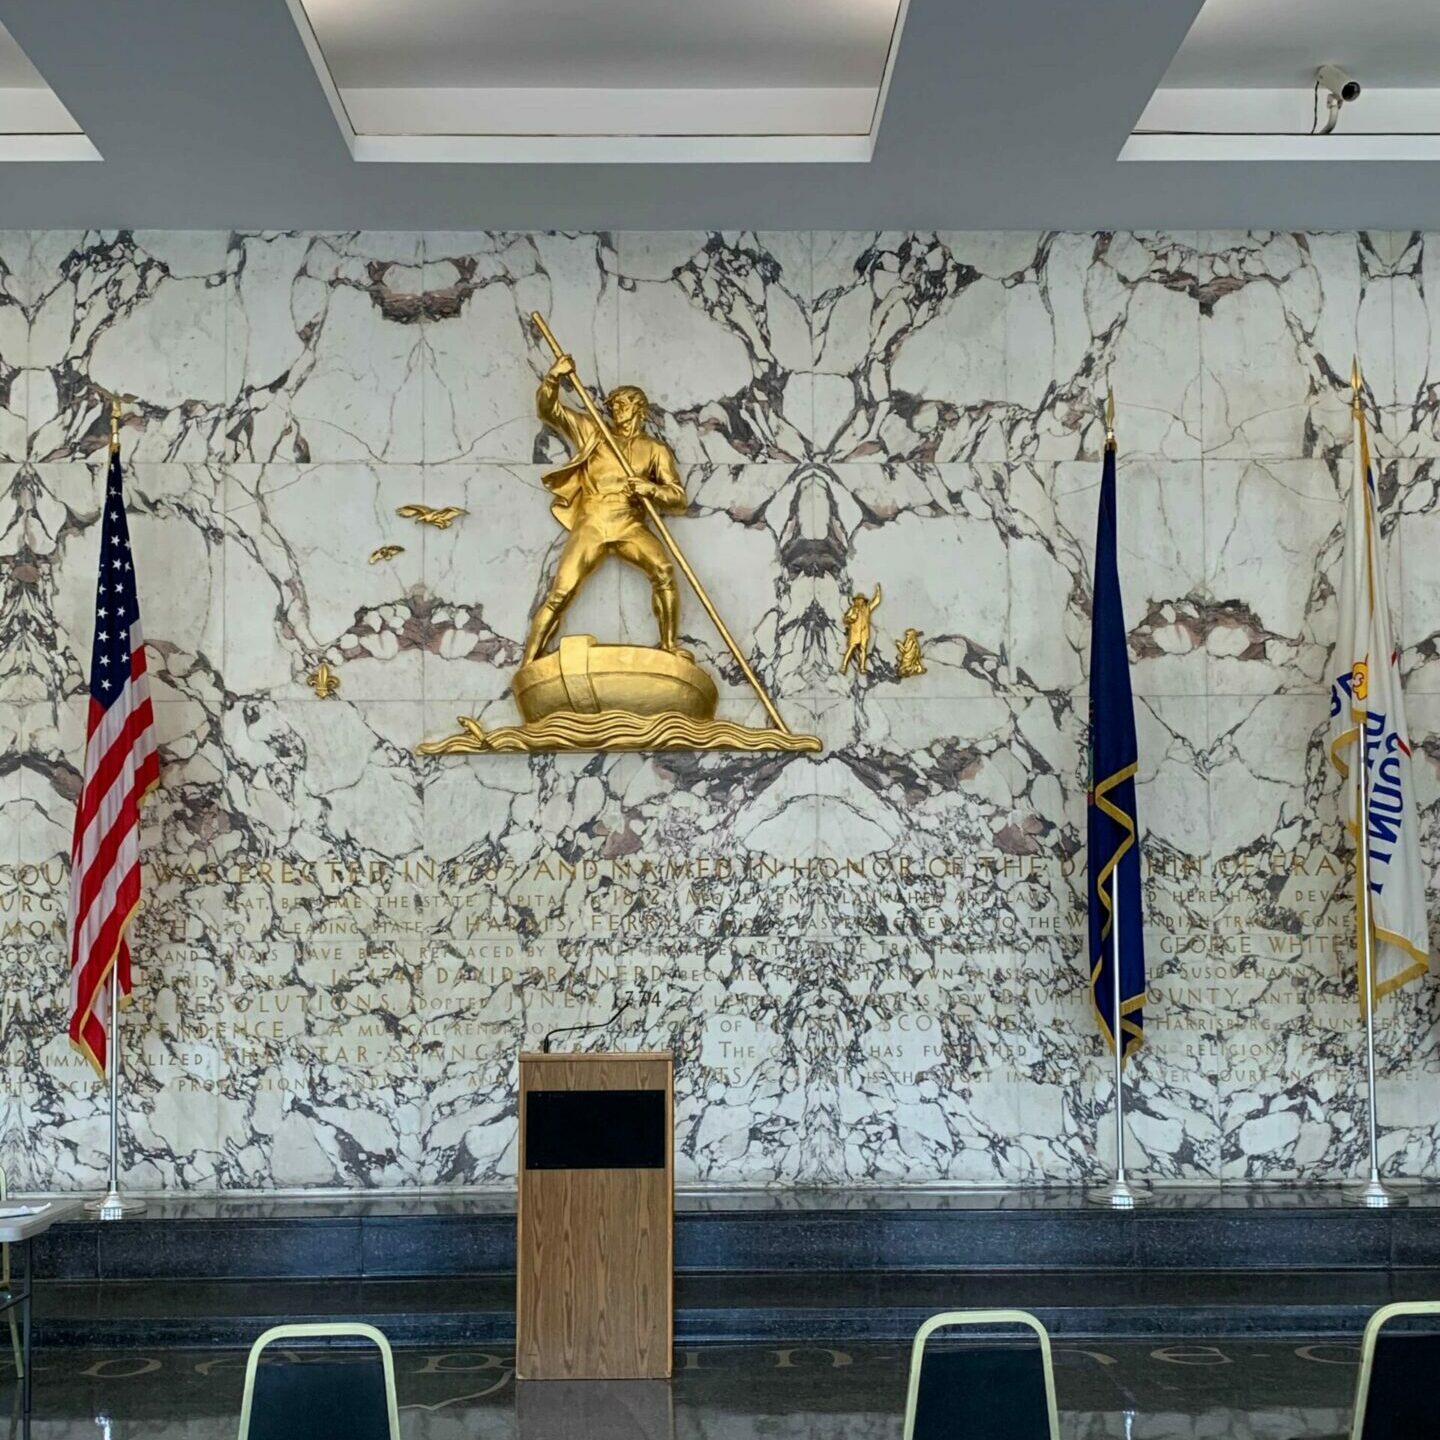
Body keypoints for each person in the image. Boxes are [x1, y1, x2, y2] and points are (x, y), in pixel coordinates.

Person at [523, 353, 688, 665]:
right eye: (613, 404)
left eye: (623, 404)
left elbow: (678, 498)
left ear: (639, 408)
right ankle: (527, 663)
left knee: (664, 571)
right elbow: (549, 411)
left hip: (630, 524)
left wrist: (649, 488)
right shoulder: (594, 432)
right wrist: (553, 378)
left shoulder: (654, 450)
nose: (615, 409)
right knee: (561, 592)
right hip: (593, 523)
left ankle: (669, 647)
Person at [839, 584, 882, 675]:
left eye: (861, 600)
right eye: (858, 600)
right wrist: (851, 619)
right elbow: (845, 619)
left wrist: (878, 592)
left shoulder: (867, 609)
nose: (859, 601)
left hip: (864, 633)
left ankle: (862, 667)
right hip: (855, 633)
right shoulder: (852, 610)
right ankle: (843, 666)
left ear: (864, 601)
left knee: (863, 650)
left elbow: (876, 601)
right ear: (855, 601)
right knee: (851, 648)